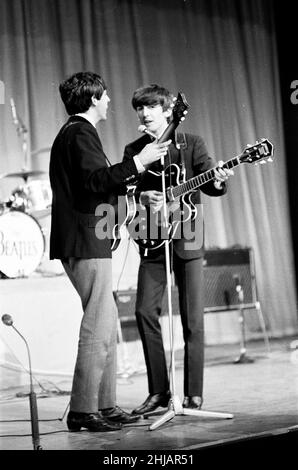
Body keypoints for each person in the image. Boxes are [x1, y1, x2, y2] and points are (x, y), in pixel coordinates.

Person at [49, 72, 171, 432]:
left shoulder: (75, 132)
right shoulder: (80, 132)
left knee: (105, 322)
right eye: (104, 95)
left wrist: (130, 189)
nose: (108, 100)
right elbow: (95, 181)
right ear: (92, 100)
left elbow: (97, 183)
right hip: (85, 239)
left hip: (88, 237)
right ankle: (83, 410)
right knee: (97, 323)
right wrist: (140, 161)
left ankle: (104, 404)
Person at [122, 84, 233, 415]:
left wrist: (218, 179)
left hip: (188, 236)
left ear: (167, 109)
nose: (144, 113)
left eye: (151, 107)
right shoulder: (135, 149)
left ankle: (193, 395)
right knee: (144, 311)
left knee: (192, 321)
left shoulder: (192, 143)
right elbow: (127, 193)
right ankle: (158, 392)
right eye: (139, 108)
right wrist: (142, 197)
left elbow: (212, 185)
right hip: (152, 238)